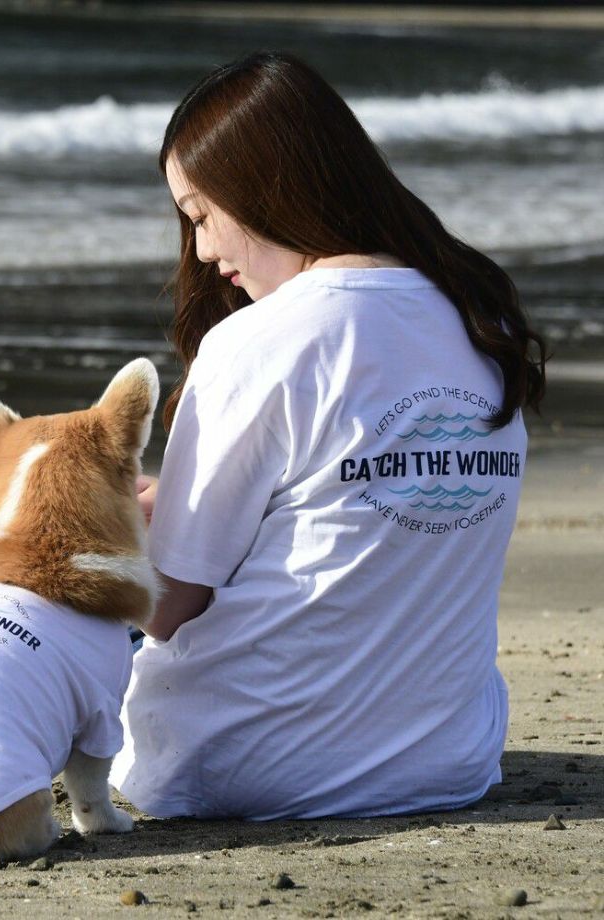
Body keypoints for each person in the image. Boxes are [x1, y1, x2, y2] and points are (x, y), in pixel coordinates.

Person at [109, 51, 546, 820]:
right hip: (447, 762)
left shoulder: (260, 343)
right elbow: (355, 517)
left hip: (242, 765)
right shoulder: (484, 324)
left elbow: (167, 607)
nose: (203, 251)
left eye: (202, 216)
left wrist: (115, 527)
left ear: (265, 186)